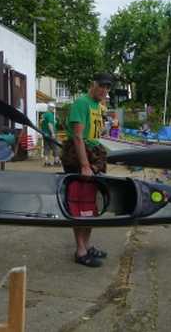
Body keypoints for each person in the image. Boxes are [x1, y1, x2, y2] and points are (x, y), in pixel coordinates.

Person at [60, 73, 113, 267]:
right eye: (102, 86)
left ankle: (87, 245)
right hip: (80, 158)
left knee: (91, 204)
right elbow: (78, 137)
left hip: (95, 157)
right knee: (79, 203)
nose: (105, 91)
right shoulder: (81, 103)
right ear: (93, 84)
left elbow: (95, 133)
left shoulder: (98, 106)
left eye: (108, 88)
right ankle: (80, 251)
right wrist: (84, 165)